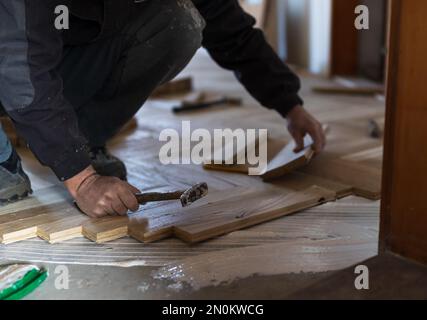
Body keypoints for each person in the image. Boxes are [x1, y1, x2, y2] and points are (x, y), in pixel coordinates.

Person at [0, 0, 325, 217]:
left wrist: (289, 104)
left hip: (62, 54)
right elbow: (19, 61)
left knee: (178, 21)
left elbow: (230, 28)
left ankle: (80, 137)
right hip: (12, 52)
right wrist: (81, 180)